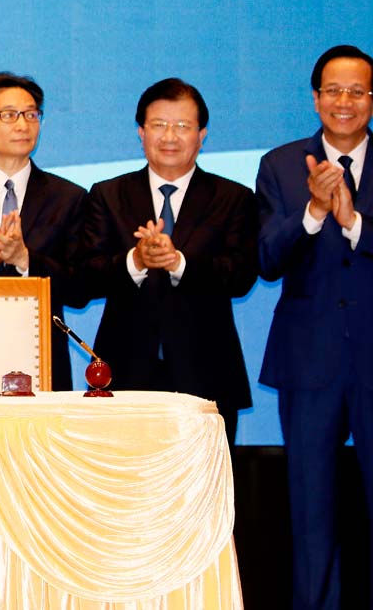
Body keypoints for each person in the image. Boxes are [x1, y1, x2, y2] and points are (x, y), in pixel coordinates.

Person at [75, 78, 258, 444]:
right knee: (127, 487)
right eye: (159, 125)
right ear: (141, 132)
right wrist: (136, 260)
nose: (169, 136)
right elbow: (84, 277)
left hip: (208, 373)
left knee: (204, 491)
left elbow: (240, 276)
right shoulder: (108, 194)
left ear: (202, 135)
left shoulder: (234, 197)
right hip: (125, 373)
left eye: (182, 126)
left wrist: (178, 263)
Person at [255, 44, 373, 609]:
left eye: (357, 91)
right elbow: (267, 259)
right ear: (315, 97)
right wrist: (315, 214)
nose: (344, 102)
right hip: (310, 363)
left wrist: (353, 222)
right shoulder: (280, 164)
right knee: (312, 514)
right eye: (334, 90)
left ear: (371, 100)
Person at [0, 72, 86, 390]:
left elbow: (82, 289)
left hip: (42, 357)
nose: (23, 124)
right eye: (9, 115)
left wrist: (26, 260)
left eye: (31, 114)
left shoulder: (69, 197)